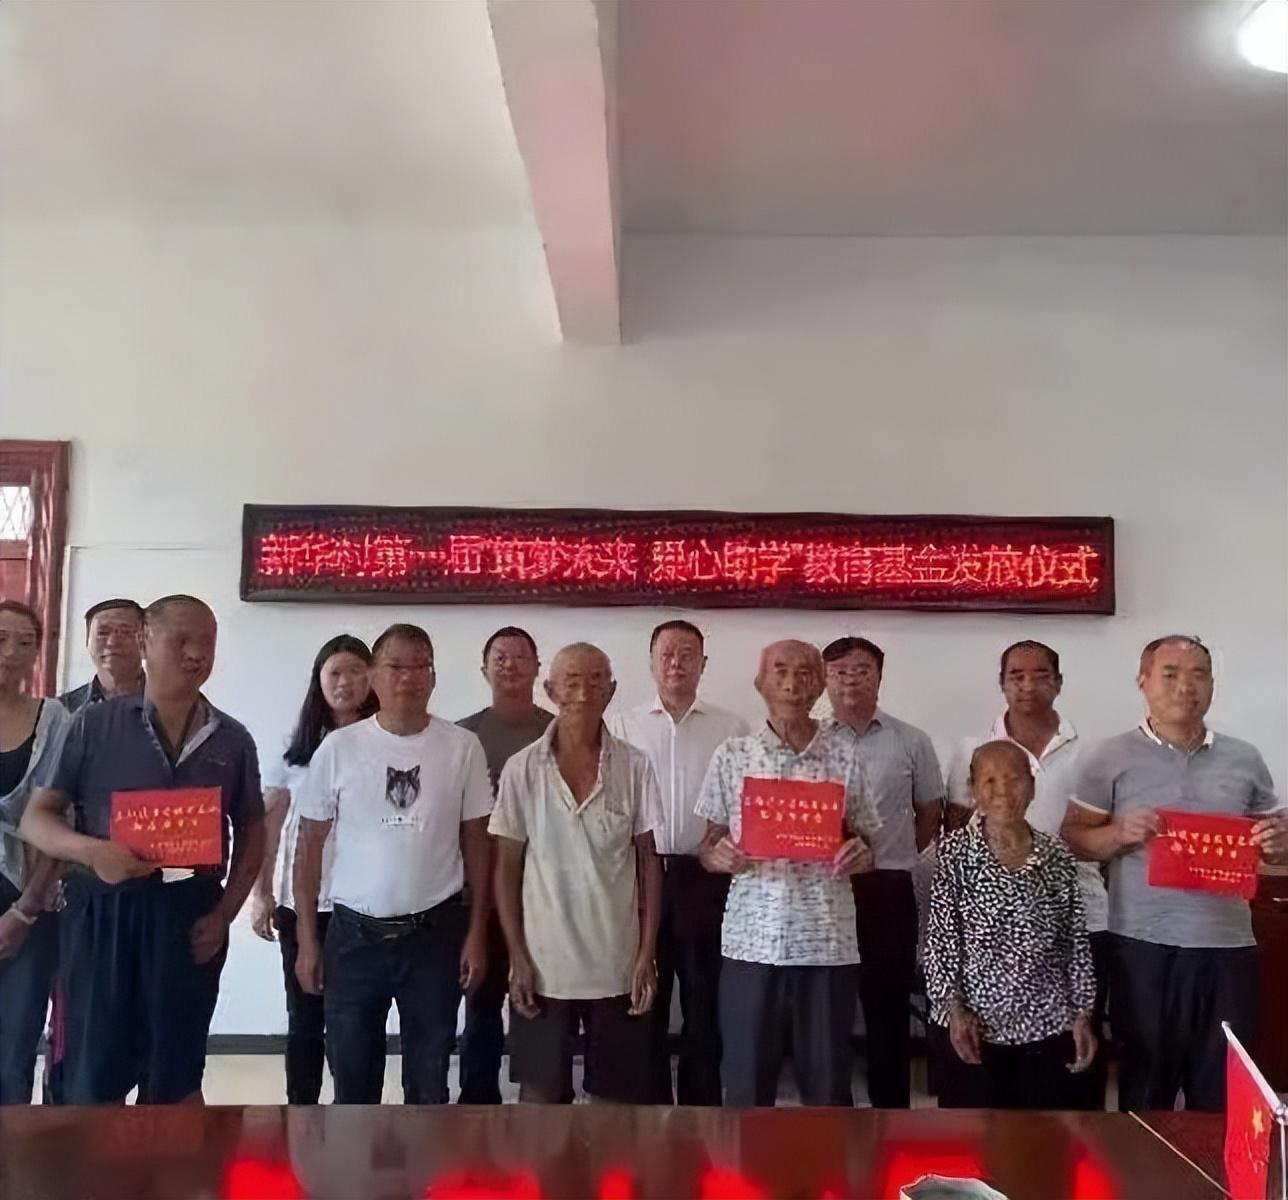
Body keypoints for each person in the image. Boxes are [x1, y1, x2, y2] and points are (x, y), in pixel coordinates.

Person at [20, 594, 266, 1104]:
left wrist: (225, 913)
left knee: (176, 1077)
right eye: (182, 640)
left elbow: (252, 829)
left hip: (188, 916)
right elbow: (37, 819)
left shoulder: (232, 739)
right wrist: (92, 851)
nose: (197, 654)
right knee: (93, 1077)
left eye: (207, 642)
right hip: (102, 913)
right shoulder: (92, 725)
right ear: (145, 641)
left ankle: (169, 1157)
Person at [1063, 635, 1288, 1112]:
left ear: (1212, 686)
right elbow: (1075, 837)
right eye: (1170, 674)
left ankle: (1211, 1164)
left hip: (1228, 946)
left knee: (1222, 1088)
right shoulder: (1109, 756)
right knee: (1146, 1085)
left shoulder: (1244, 757)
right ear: (1143, 682)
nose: (1186, 686)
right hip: (1143, 945)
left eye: (1198, 675)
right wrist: (1119, 833)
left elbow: (1276, 835)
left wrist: (1278, 841)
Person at [293, 623, 493, 1105]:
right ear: (373, 677)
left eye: (421, 666)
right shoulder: (340, 748)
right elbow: (309, 846)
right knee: (353, 1081)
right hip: (353, 938)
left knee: (428, 1081)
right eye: (396, 666)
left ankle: (422, 1157)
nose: (409, 677)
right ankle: (356, 1158)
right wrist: (307, 940)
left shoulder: (461, 746)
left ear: (434, 676)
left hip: (434, 936)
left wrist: (477, 933)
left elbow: (477, 843)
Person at [696, 639, 880, 1108]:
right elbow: (708, 841)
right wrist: (716, 855)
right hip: (751, 943)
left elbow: (867, 839)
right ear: (760, 682)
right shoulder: (733, 755)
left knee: (828, 1089)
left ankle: (826, 1161)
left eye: (804, 673)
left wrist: (862, 854)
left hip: (826, 944)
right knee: (746, 1086)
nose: (791, 682)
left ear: (819, 685)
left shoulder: (845, 756)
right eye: (779, 670)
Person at [489, 643, 664, 1104]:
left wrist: (646, 954)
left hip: (617, 963)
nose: (584, 692)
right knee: (540, 1098)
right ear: (550, 691)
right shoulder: (522, 769)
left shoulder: (635, 766)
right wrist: (517, 956)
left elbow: (650, 863)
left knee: (617, 1101)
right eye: (571, 681)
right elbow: (506, 868)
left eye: (595, 680)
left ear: (611, 690)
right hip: (544, 965)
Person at [944, 640, 1109, 1109]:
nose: (1028, 685)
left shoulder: (1092, 753)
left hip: (1077, 916)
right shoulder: (972, 748)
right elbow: (955, 824)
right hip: (987, 937)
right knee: (988, 1089)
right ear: (1001, 684)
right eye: (1016, 676)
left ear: (1059, 682)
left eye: (1040, 675)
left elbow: (1103, 828)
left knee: (1069, 1068)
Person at [608, 619, 749, 1105]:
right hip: (638, 874)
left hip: (703, 876)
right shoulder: (622, 726)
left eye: (688, 654)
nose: (676, 663)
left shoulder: (731, 729)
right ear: (651, 663)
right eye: (667, 654)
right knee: (643, 994)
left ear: (703, 664)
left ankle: (700, 1104)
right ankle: (648, 1103)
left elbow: (746, 806)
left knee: (703, 996)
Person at [926, 740, 1096, 1109]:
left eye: (1014, 779)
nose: (1003, 790)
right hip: (973, 1026)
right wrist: (954, 1010)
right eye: (989, 780)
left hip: (1046, 1022)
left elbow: (1074, 942)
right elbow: (941, 942)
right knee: (972, 1135)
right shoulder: (955, 853)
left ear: (1032, 786)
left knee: (1041, 1134)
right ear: (973, 790)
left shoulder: (1056, 855)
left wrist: (1083, 1013)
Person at [249, 635, 377, 1104]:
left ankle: (354, 1114)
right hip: (300, 901)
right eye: (334, 673)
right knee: (304, 1015)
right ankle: (300, 1112)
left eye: (356, 672)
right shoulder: (297, 746)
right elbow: (270, 822)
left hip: (362, 904)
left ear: (372, 679)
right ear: (318, 682)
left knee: (355, 1019)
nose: (345, 682)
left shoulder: (386, 741)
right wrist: (261, 892)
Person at [821, 635, 944, 1109]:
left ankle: (890, 1111)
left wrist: (897, 852)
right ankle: (832, 1109)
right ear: (824, 679)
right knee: (827, 1007)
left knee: (888, 1006)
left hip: (890, 887)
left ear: (879, 676)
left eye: (862, 670)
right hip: (826, 889)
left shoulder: (911, 740)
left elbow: (930, 811)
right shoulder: (810, 740)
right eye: (839, 672)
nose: (850, 680)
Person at [455, 626, 552, 1105]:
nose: (510, 665)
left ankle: (539, 1096)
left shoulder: (558, 732)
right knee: (482, 1001)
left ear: (538, 668)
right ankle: (477, 1099)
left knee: (540, 1001)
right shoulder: (463, 736)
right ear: (484, 669)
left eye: (520, 657)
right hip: (480, 894)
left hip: (543, 894)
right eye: (500, 657)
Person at [0, 600, 69, 1103]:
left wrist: (24, 912)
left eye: (25, 642)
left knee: (14, 1053)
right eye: (1, 639)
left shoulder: (54, 718)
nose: (11, 652)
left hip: (28, 902)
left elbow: (61, 818)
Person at [58, 599, 145, 713]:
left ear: (146, 640)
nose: (112, 642)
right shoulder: (64, 709)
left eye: (126, 632)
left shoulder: (163, 703)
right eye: (103, 633)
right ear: (87, 642)